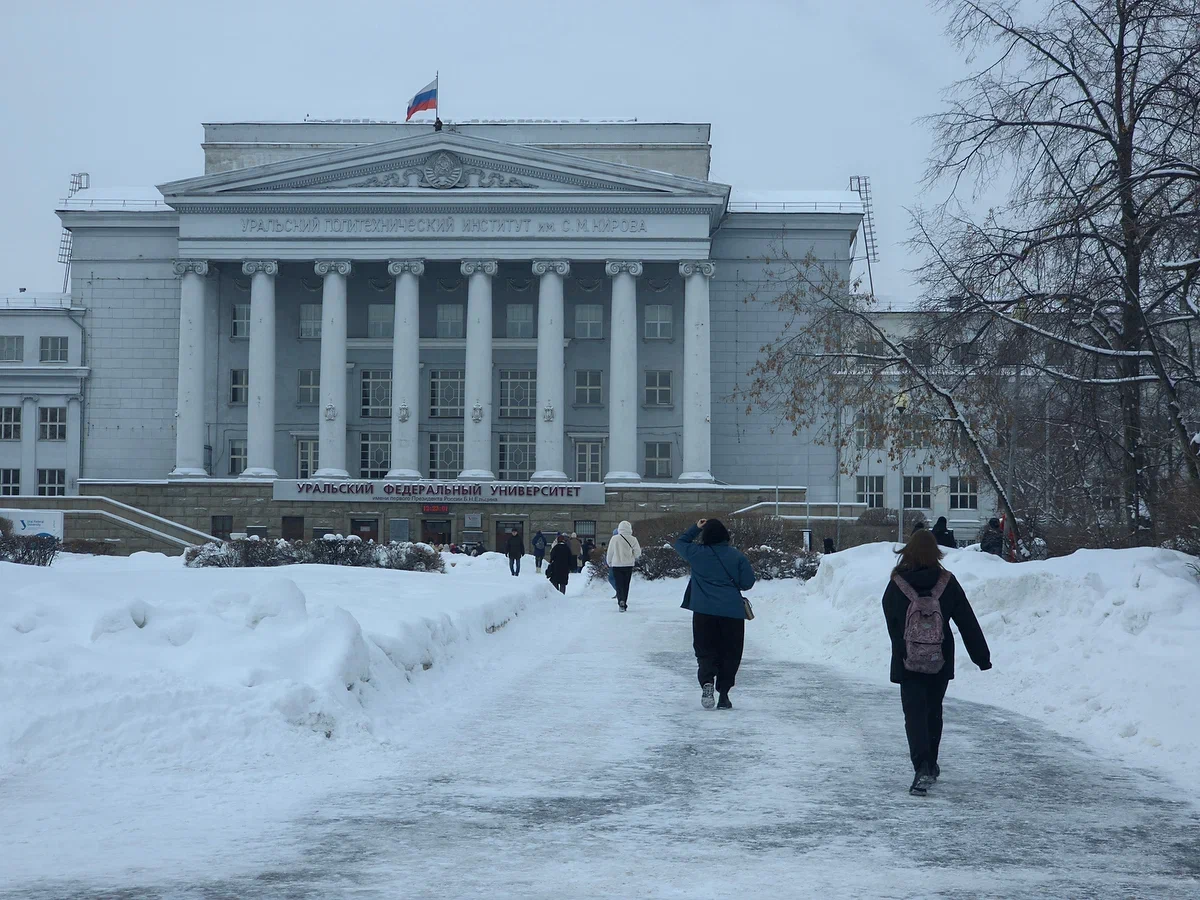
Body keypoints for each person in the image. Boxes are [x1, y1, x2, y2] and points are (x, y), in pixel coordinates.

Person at [881, 529, 991, 796]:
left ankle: (923, 766)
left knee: (914, 714)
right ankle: (930, 763)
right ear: (936, 552)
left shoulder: (897, 583)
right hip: (939, 660)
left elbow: (892, 620)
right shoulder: (947, 581)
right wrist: (981, 657)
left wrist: (903, 647)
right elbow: (967, 620)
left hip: (908, 661)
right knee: (933, 711)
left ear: (908, 551)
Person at [673, 518, 756, 711]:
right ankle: (724, 695)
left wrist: (695, 527)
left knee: (705, 650)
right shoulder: (737, 556)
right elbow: (747, 583)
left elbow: (680, 543)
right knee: (730, 653)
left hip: (703, 612)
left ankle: (707, 682)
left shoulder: (696, 553)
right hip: (732, 613)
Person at [606, 520, 642, 612]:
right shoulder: (633, 539)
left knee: (619, 584)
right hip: (628, 565)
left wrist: (609, 562)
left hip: (616, 565)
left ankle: (620, 601)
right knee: (626, 585)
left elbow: (610, 552)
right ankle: (624, 601)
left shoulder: (614, 538)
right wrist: (632, 557)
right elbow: (638, 553)